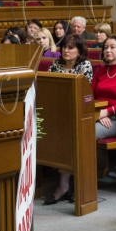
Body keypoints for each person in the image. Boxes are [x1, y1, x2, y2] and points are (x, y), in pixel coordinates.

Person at [43, 36, 95, 205]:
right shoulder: (56, 65)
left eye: (71, 48)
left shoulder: (85, 66)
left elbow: (84, 95)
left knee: (68, 136)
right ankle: (62, 185)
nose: (66, 50)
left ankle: (66, 186)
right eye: (64, 47)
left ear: (79, 50)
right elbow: (48, 88)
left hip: (77, 112)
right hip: (56, 111)